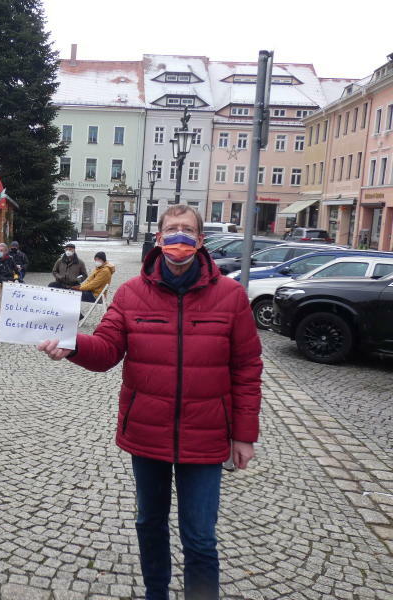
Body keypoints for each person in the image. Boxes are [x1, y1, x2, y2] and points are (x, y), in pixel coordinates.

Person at [38, 205, 262, 600]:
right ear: (158, 239)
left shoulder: (230, 297)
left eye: (187, 231)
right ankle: (155, 593)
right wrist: (71, 346)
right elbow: (107, 349)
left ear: (200, 240)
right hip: (147, 431)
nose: (179, 238)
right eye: (171, 230)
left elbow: (246, 368)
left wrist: (243, 435)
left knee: (200, 537)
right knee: (149, 523)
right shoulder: (131, 294)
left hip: (207, 436)